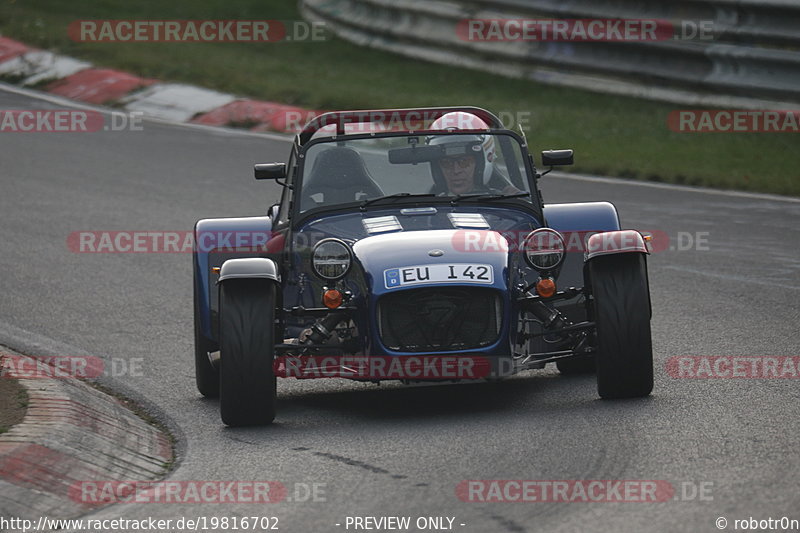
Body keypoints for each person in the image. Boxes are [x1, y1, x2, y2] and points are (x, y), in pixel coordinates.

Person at [427, 112, 520, 195]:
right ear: (437, 168)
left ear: (484, 160)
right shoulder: (426, 207)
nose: (456, 171)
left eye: (464, 161)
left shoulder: (508, 202)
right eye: (446, 163)